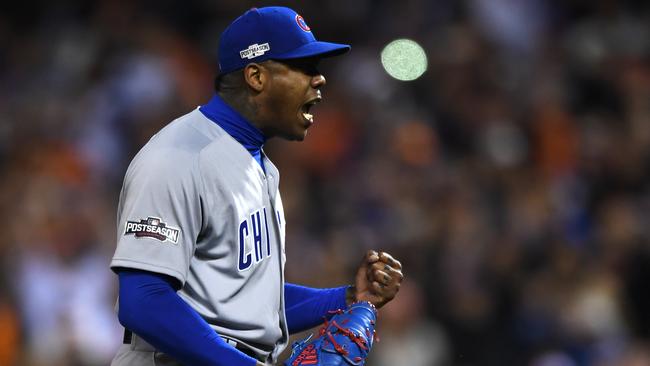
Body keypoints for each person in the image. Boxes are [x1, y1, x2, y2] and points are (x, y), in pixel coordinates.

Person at [109, 6, 403, 366]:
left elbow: (254, 305)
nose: (320, 80)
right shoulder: (179, 156)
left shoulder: (260, 168)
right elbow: (144, 300)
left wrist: (346, 297)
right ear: (256, 76)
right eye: (304, 68)